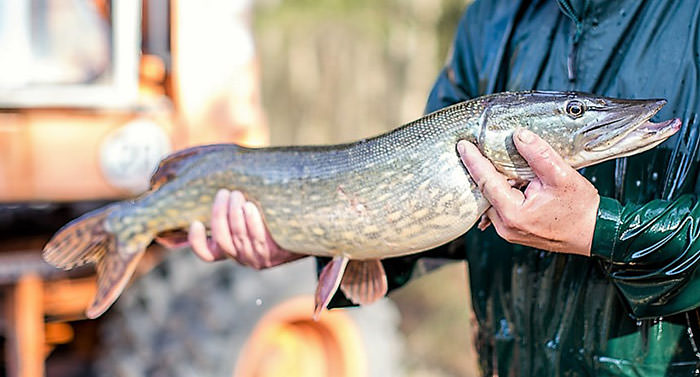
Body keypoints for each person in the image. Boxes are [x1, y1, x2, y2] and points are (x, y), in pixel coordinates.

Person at [188, 0, 700, 375]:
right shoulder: (494, 17)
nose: (579, 118)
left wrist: (602, 230)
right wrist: (311, 235)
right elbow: (434, 202)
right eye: (572, 113)